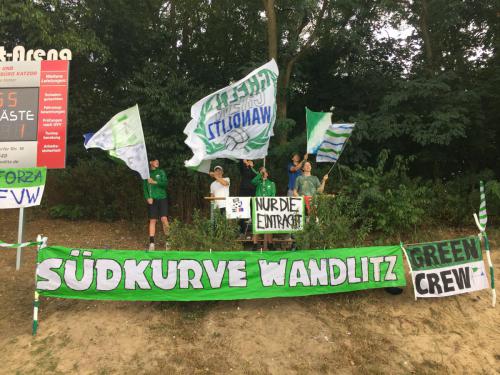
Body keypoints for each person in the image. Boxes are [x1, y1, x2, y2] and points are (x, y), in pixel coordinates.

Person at [143, 157, 169, 251]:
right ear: (151, 162)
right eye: (155, 161)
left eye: (158, 161)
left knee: (164, 218)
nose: (157, 162)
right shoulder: (147, 174)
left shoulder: (161, 172)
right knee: (152, 220)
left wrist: (155, 182)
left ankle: (168, 242)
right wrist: (147, 197)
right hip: (152, 199)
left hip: (162, 198)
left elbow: (165, 183)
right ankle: (152, 243)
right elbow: (144, 187)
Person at [251, 167, 276, 250]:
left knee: (269, 224)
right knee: (257, 224)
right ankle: (255, 244)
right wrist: (260, 174)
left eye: (265, 171)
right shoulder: (258, 182)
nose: (263, 172)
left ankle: (270, 243)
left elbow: (273, 194)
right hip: (258, 206)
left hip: (268, 206)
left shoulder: (272, 183)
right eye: (262, 171)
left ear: (267, 174)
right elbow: (253, 182)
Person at [238, 159, 256, 235]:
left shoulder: (253, 170)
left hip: (252, 192)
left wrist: (251, 167)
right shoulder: (243, 168)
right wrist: (243, 161)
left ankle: (254, 231)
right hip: (243, 191)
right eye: (248, 161)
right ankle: (242, 230)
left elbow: (256, 176)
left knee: (253, 210)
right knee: (243, 210)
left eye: (251, 161)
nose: (249, 162)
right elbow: (239, 164)